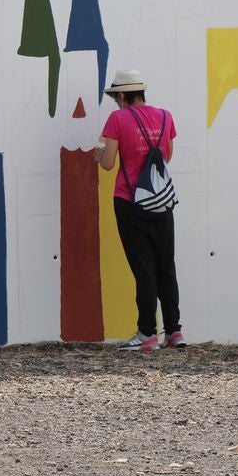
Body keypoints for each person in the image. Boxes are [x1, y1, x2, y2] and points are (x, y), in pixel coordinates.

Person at [94, 69, 184, 352]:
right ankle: (175, 333)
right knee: (166, 266)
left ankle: (147, 333)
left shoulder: (118, 119)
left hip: (130, 201)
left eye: (116, 98)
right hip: (161, 201)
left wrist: (98, 155)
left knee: (144, 269)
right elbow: (166, 155)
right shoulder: (166, 117)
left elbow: (109, 163)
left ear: (122, 95)